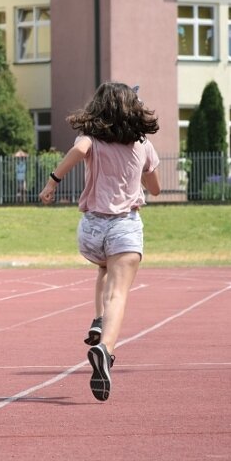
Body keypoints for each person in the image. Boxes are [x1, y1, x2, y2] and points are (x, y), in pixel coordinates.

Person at [38, 82, 160, 402]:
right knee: (118, 293)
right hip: (124, 227)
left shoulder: (90, 139)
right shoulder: (142, 145)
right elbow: (156, 188)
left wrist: (53, 182)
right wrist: (144, 173)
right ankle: (105, 349)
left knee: (104, 268)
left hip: (90, 230)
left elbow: (79, 151)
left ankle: (96, 318)